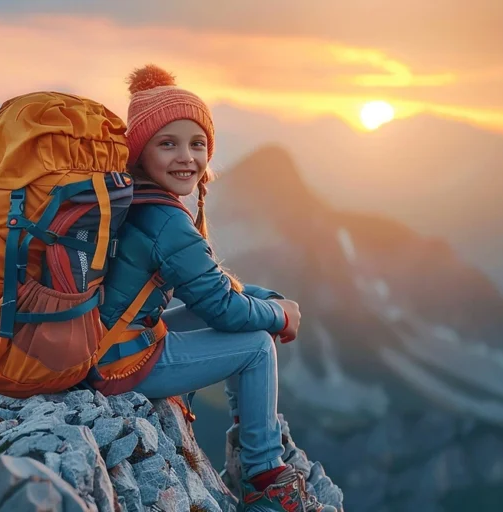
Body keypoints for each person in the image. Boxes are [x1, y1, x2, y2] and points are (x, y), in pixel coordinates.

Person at [88, 64, 332, 512]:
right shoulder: (166, 220)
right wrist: (279, 315)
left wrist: (261, 299)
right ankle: (261, 475)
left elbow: (207, 290)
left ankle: (248, 441)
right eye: (168, 144)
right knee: (258, 344)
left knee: (251, 305)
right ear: (140, 153)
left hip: (111, 340)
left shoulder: (135, 199)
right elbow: (221, 309)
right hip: (119, 363)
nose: (187, 157)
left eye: (197, 144)